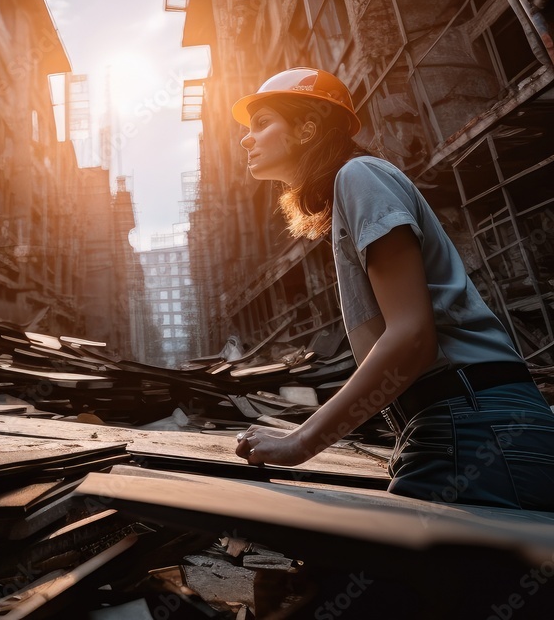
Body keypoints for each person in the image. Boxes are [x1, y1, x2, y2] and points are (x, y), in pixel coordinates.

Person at [229, 67, 554, 510]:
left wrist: (300, 443)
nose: (247, 139)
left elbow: (412, 338)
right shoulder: (353, 187)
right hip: (460, 421)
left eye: (262, 123)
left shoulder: (359, 176)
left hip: (473, 423)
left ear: (308, 128)